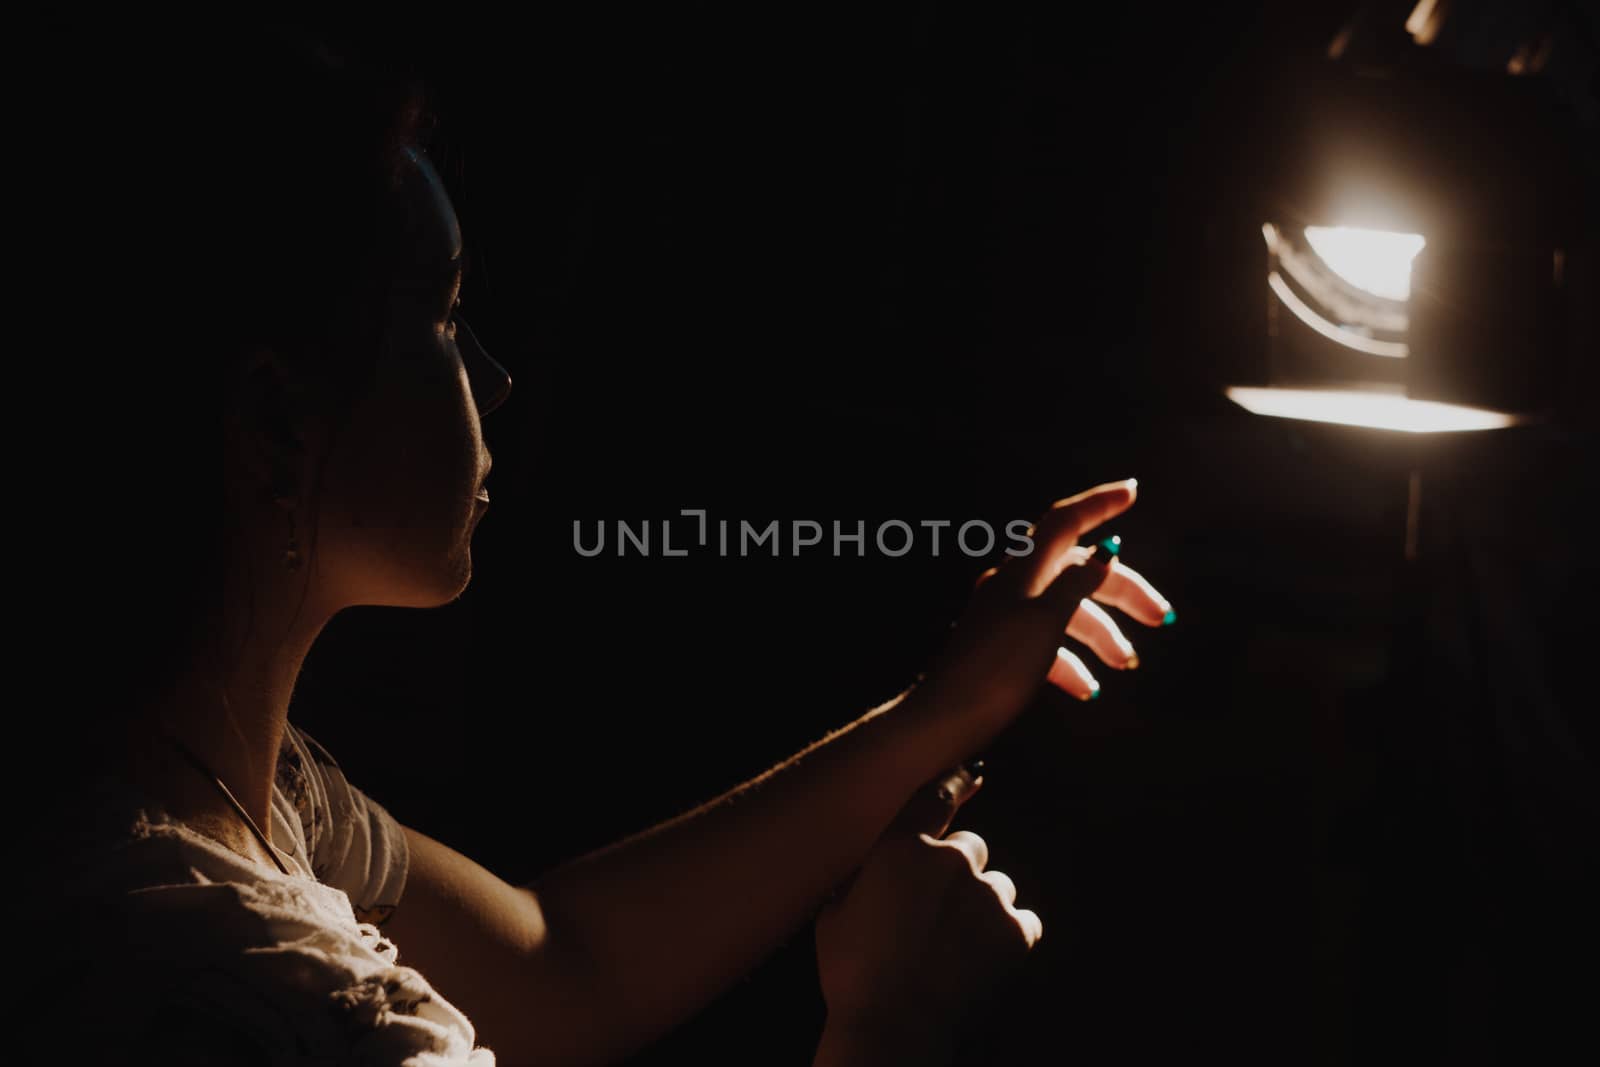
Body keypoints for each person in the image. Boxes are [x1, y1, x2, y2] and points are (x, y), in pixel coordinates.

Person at [44, 30, 1175, 1066]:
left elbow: (563, 963)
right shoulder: (228, 995)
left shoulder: (229, 789)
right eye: (440, 319)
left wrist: (941, 709)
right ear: (278, 422)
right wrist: (894, 1021)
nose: (494, 378)